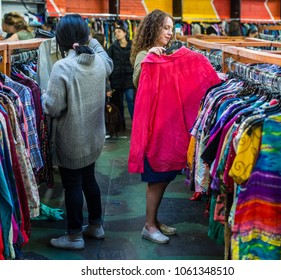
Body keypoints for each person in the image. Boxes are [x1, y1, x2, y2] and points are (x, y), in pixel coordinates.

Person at [129, 9, 221, 244]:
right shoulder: (144, 55)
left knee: (162, 178)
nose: (170, 33)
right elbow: (139, 83)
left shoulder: (165, 53)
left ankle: (154, 221)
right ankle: (149, 226)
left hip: (166, 129)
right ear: (154, 28)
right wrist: (150, 57)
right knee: (157, 179)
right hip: (153, 130)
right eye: (166, 28)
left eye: (172, 28)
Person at [41, 14, 113, 250]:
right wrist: (89, 39)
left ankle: (73, 236)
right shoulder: (100, 63)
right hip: (93, 137)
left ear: (59, 40)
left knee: (72, 184)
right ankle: (96, 225)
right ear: (86, 36)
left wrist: (41, 95)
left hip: (72, 139)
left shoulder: (63, 67)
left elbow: (52, 106)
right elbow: (105, 57)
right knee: (89, 179)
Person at [107, 23, 135, 127]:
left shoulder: (132, 46)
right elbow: (108, 62)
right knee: (118, 103)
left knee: (130, 99)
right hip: (116, 79)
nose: (117, 34)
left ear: (124, 32)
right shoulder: (113, 47)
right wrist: (109, 79)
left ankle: (135, 122)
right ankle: (121, 123)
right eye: (115, 33)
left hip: (129, 78)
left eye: (119, 32)